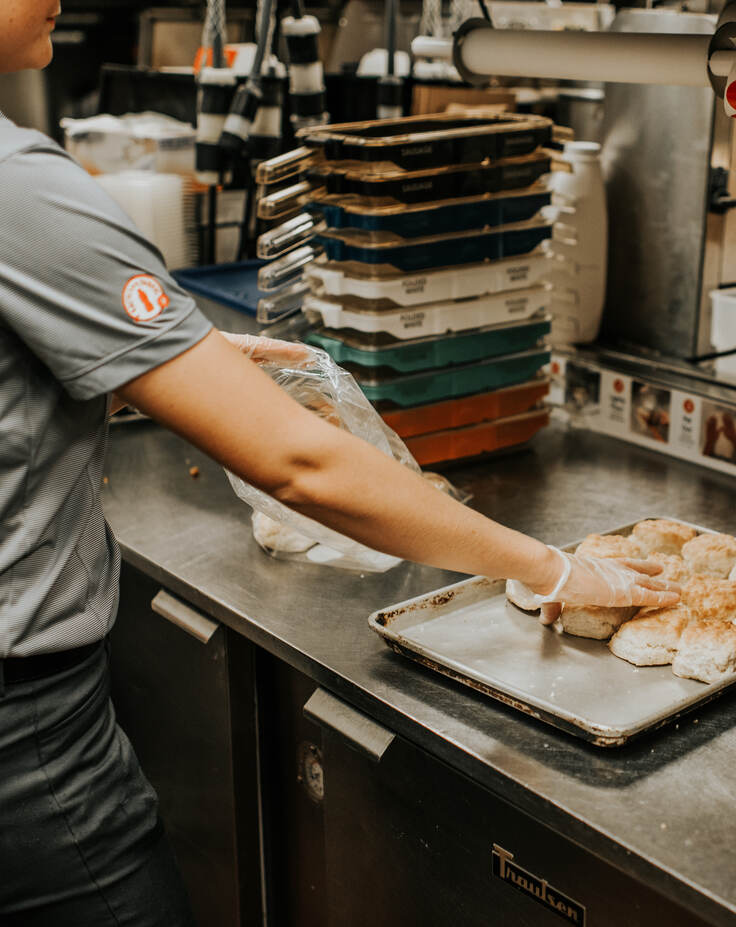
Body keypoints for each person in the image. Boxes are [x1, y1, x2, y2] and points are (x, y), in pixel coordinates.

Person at [0, 5, 680, 924]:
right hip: (26, 738)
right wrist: (554, 566)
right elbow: (301, 465)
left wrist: (132, 373)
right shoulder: (20, 187)